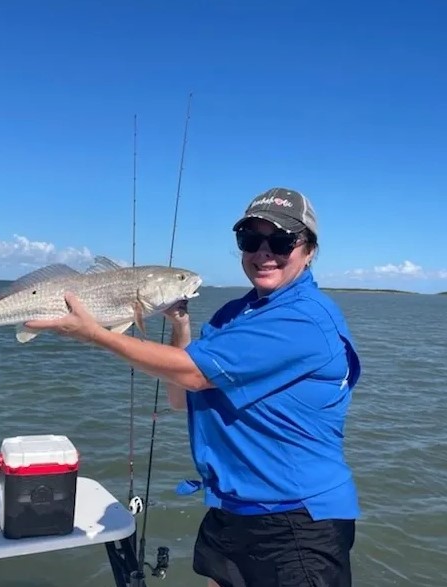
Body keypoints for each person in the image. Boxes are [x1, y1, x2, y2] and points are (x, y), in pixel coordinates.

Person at [24, 187, 362, 587]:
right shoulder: (234, 315)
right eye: (250, 239)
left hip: (296, 519)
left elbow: (193, 375)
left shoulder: (304, 319)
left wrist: (96, 334)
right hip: (230, 508)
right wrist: (180, 325)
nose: (263, 253)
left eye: (282, 241)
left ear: (309, 250)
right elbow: (182, 396)